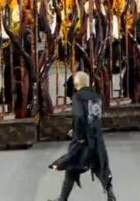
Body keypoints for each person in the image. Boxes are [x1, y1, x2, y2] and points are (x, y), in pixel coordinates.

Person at [49, 71, 116, 201]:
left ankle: (62, 198)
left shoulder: (78, 97)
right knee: (99, 167)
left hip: (82, 139)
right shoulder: (96, 97)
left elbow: (79, 116)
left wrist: (78, 135)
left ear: (76, 83)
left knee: (72, 167)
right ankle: (110, 194)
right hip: (96, 137)